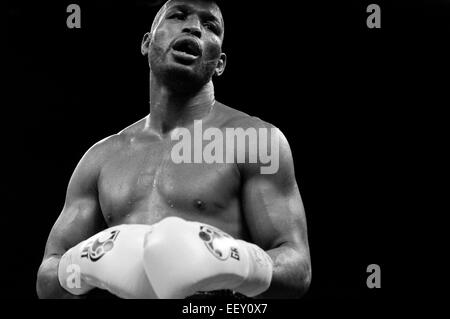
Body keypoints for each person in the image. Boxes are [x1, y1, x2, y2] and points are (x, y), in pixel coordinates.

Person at [36, 0, 311, 299]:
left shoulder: (255, 140)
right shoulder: (101, 157)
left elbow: (297, 266)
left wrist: (232, 259)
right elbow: (47, 279)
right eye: (178, 16)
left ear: (219, 63)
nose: (193, 26)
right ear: (146, 43)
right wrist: (89, 260)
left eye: (210, 26)